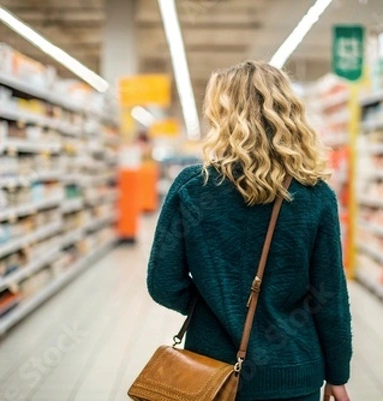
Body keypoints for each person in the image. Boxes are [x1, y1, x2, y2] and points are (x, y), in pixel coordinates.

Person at [147, 60, 352, 401]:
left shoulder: (192, 187)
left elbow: (163, 283)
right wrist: (338, 374)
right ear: (289, 114)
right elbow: (329, 295)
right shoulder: (316, 196)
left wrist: (216, 306)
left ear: (222, 114)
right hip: (293, 374)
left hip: (210, 373)